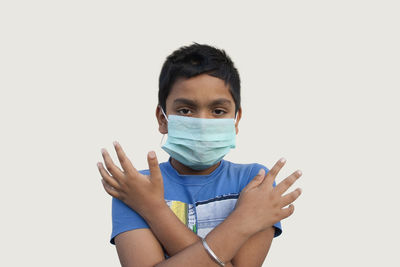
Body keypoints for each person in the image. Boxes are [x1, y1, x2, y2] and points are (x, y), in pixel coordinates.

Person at [97, 43, 302, 267]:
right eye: (185, 110)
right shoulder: (135, 187)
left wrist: (152, 209)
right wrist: (241, 223)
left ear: (236, 120)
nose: (203, 123)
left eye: (218, 111)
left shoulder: (256, 183)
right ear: (162, 118)